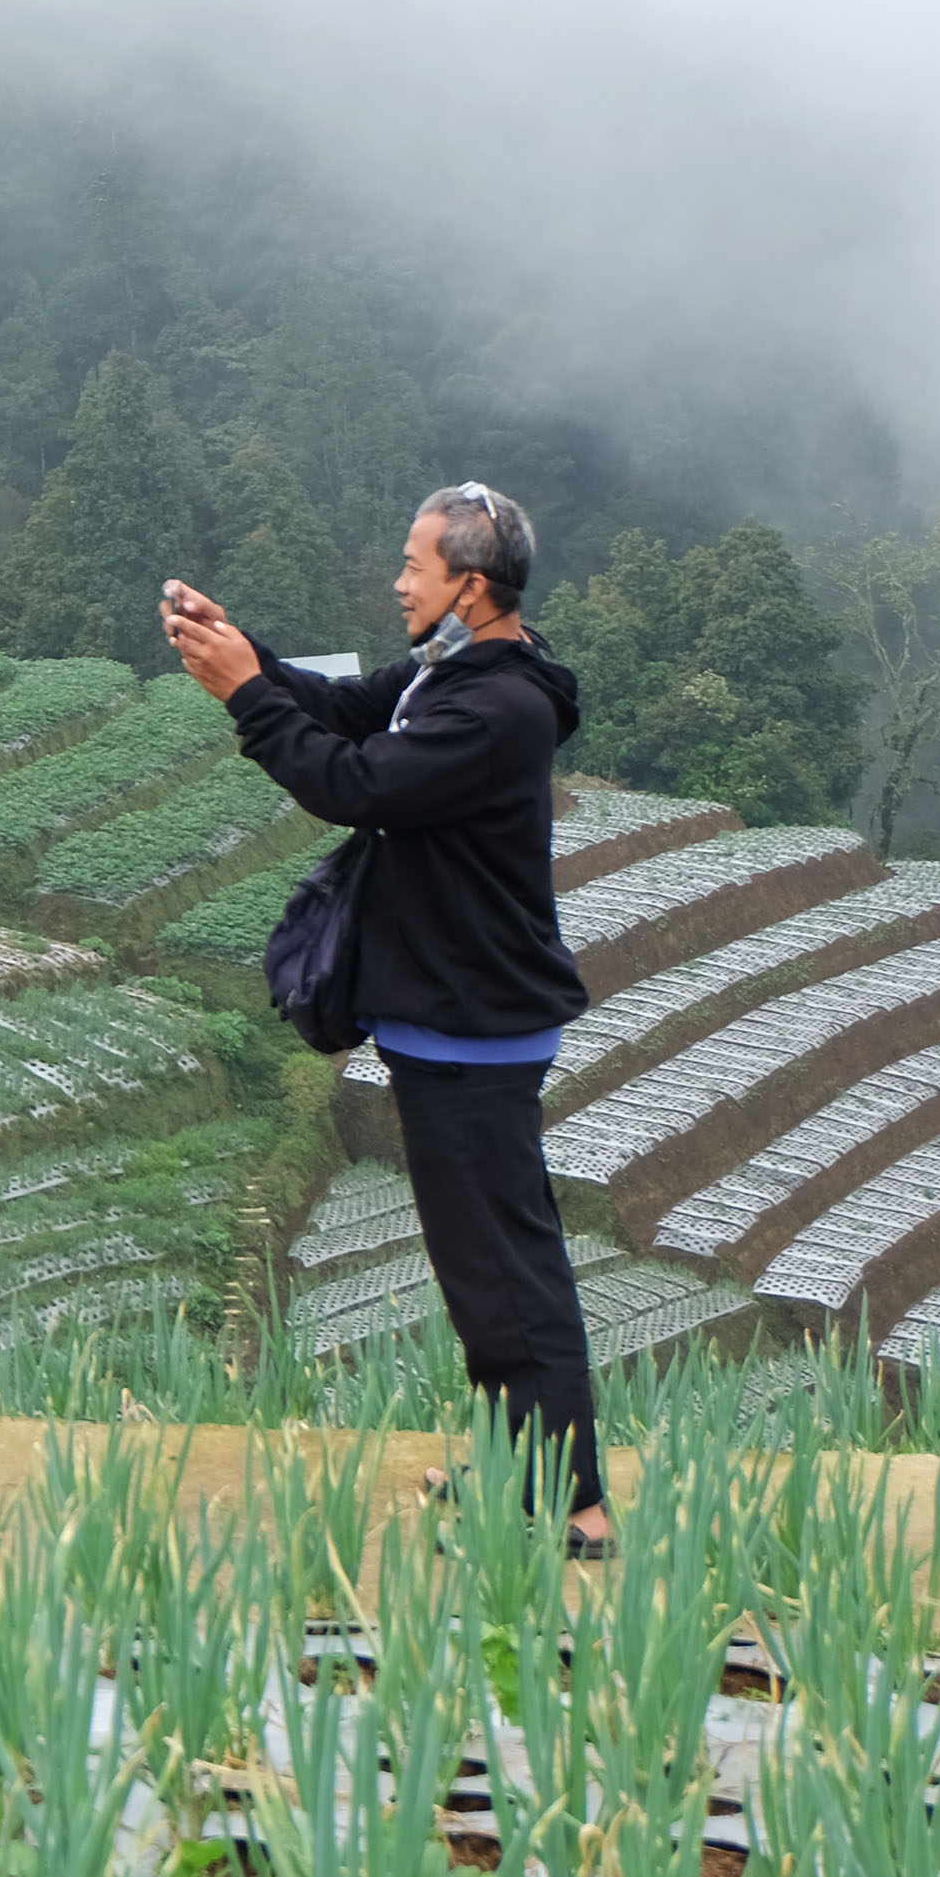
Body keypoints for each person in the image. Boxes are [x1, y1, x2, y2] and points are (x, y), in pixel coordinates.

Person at [161, 480, 606, 1552]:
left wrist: (242, 698)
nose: (397, 582)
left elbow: (348, 780)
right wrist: (243, 650)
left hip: (472, 1022)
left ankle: (572, 1509)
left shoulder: (496, 709)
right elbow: (352, 712)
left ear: (467, 582)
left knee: (504, 1265)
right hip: (448, 1011)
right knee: (483, 1264)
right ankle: (524, 1466)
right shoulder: (456, 671)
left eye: (412, 565)